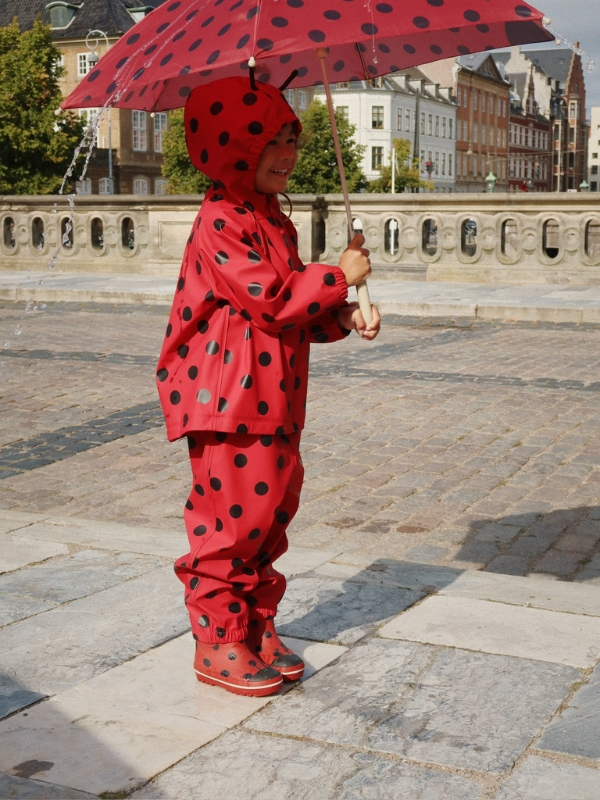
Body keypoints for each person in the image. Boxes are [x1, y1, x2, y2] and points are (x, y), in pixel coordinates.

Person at [156, 74, 380, 698]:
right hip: (227, 399)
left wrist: (342, 314)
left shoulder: (273, 220)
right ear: (232, 148)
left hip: (275, 395)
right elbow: (273, 298)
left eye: (291, 139)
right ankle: (217, 639)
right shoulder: (220, 219)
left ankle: (254, 625)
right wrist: (338, 275)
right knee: (230, 525)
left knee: (270, 517)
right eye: (268, 141)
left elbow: (293, 316)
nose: (286, 154)